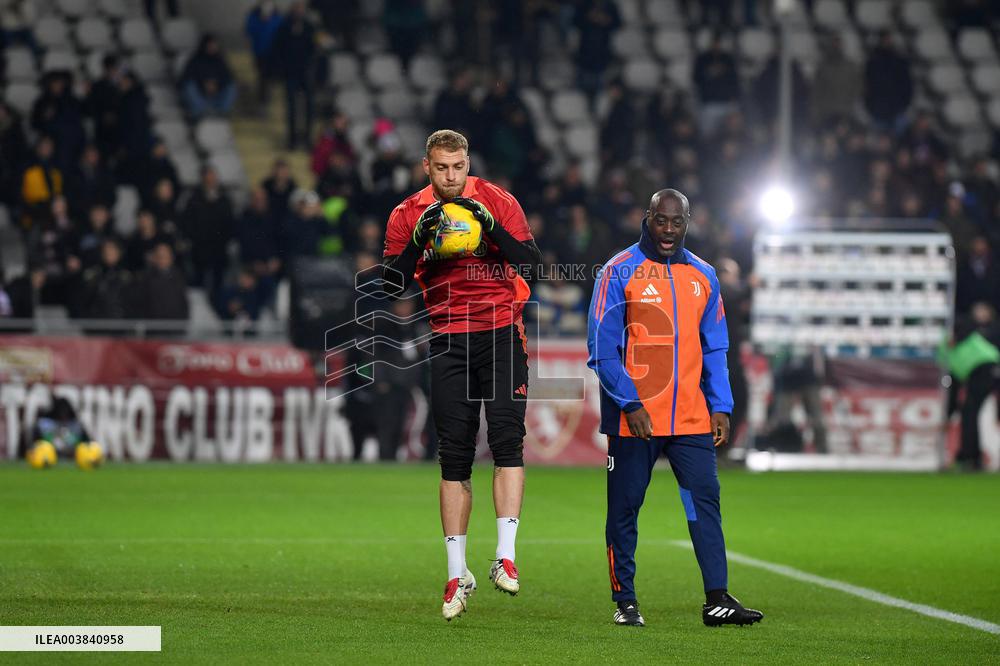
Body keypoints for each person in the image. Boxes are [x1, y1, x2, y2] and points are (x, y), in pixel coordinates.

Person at [381, 129, 541, 621]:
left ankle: (506, 557)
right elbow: (390, 285)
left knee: (509, 441)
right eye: (442, 168)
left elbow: (533, 265)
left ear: (467, 163)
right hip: (448, 339)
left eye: (459, 167)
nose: (452, 176)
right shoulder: (407, 213)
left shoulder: (497, 201)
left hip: (500, 333)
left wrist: (490, 226)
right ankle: (457, 574)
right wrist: (417, 240)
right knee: (454, 456)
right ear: (426, 167)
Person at [586, 188, 763, 628]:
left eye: (677, 222)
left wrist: (720, 405)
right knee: (625, 509)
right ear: (647, 218)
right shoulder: (617, 270)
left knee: (705, 503)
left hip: (690, 419)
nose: (668, 230)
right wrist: (630, 403)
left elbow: (716, 347)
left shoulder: (704, 275)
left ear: (688, 222)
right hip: (635, 421)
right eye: (661, 220)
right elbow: (602, 350)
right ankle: (625, 601)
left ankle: (717, 599)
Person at [942, 303, 1000, 471]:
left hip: (986, 371)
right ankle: (971, 456)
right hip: (991, 369)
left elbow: (954, 384)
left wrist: (949, 413)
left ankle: (969, 457)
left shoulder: (949, 350)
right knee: (970, 411)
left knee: (969, 412)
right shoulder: (966, 336)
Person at [272, 1, 317, 149]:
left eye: (301, 8)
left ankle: (308, 138)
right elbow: (278, 49)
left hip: (305, 72)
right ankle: (291, 139)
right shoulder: (284, 27)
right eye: (296, 8)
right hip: (290, 73)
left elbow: (314, 48)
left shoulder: (309, 27)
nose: (299, 11)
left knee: (309, 108)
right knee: (291, 108)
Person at [180, 34, 237, 120]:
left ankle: (222, 111)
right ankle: (199, 111)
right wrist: (203, 84)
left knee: (231, 87)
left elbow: (227, 78)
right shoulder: (195, 60)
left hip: (216, 97)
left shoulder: (220, 61)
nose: (213, 47)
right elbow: (186, 78)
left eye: (215, 45)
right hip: (199, 97)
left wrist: (216, 85)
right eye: (211, 45)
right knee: (189, 86)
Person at [245, 1, 284, 107]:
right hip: (260, 53)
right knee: (262, 77)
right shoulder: (254, 16)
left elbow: (283, 33)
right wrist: (261, 21)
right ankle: (262, 102)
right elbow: (249, 30)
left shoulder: (278, 16)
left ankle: (269, 98)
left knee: (271, 77)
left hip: (274, 54)